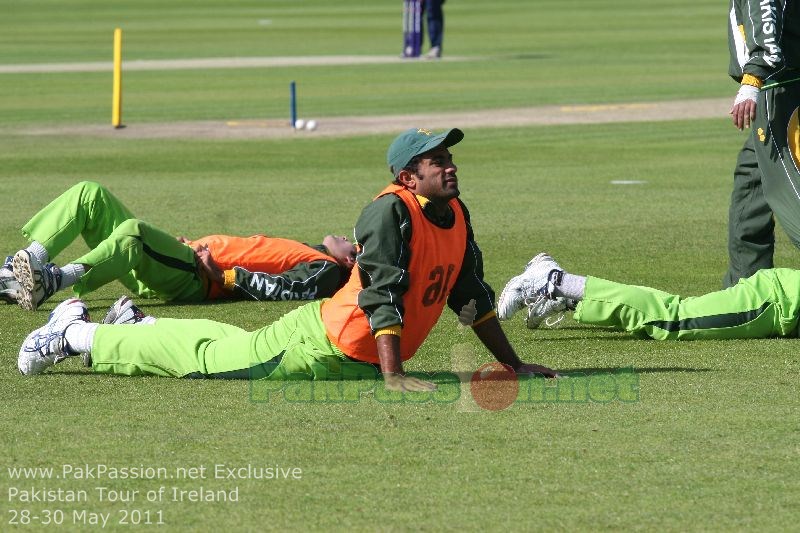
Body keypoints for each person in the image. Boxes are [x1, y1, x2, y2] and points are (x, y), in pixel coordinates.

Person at [17, 128, 559, 391]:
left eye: (450, 157)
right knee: (209, 361)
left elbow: (471, 298)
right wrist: (394, 374)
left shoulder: (456, 214)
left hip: (355, 356)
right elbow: (381, 294)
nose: (449, 166)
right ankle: (73, 337)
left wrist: (513, 364)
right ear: (406, 176)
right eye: (435, 160)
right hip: (325, 345)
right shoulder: (388, 214)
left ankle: (135, 323)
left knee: (228, 347)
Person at [2, 181, 356, 311]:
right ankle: (27, 267)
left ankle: (53, 281)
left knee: (134, 231)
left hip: (195, 278)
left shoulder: (325, 271)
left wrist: (222, 274)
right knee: (89, 194)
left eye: (354, 247)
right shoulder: (313, 253)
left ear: (351, 262)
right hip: (182, 261)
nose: (347, 239)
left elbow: (281, 290)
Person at [498, 252, 800, 341]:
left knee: (673, 313)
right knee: (673, 318)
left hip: (783, 297)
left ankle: (571, 298)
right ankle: (556, 282)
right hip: (778, 302)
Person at [723, 0, 800, 288]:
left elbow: (764, 13)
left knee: (790, 195)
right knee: (750, 187)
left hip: (776, 89)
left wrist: (752, 80)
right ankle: (745, 287)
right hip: (781, 85)